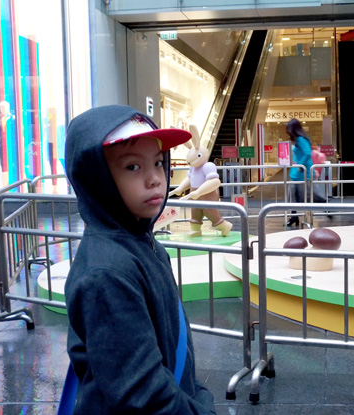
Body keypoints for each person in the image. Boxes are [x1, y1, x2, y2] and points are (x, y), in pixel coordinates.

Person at [63, 105, 216, 414]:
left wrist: (195, 392)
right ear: (96, 179)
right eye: (132, 166)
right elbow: (143, 394)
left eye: (158, 162)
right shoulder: (106, 273)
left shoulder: (143, 242)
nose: (155, 179)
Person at [286, 118, 313, 227]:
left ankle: (326, 208)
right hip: (297, 173)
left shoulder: (300, 139)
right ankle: (294, 216)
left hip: (301, 173)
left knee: (305, 196)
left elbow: (307, 153)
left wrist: (300, 166)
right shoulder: (298, 139)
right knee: (293, 195)